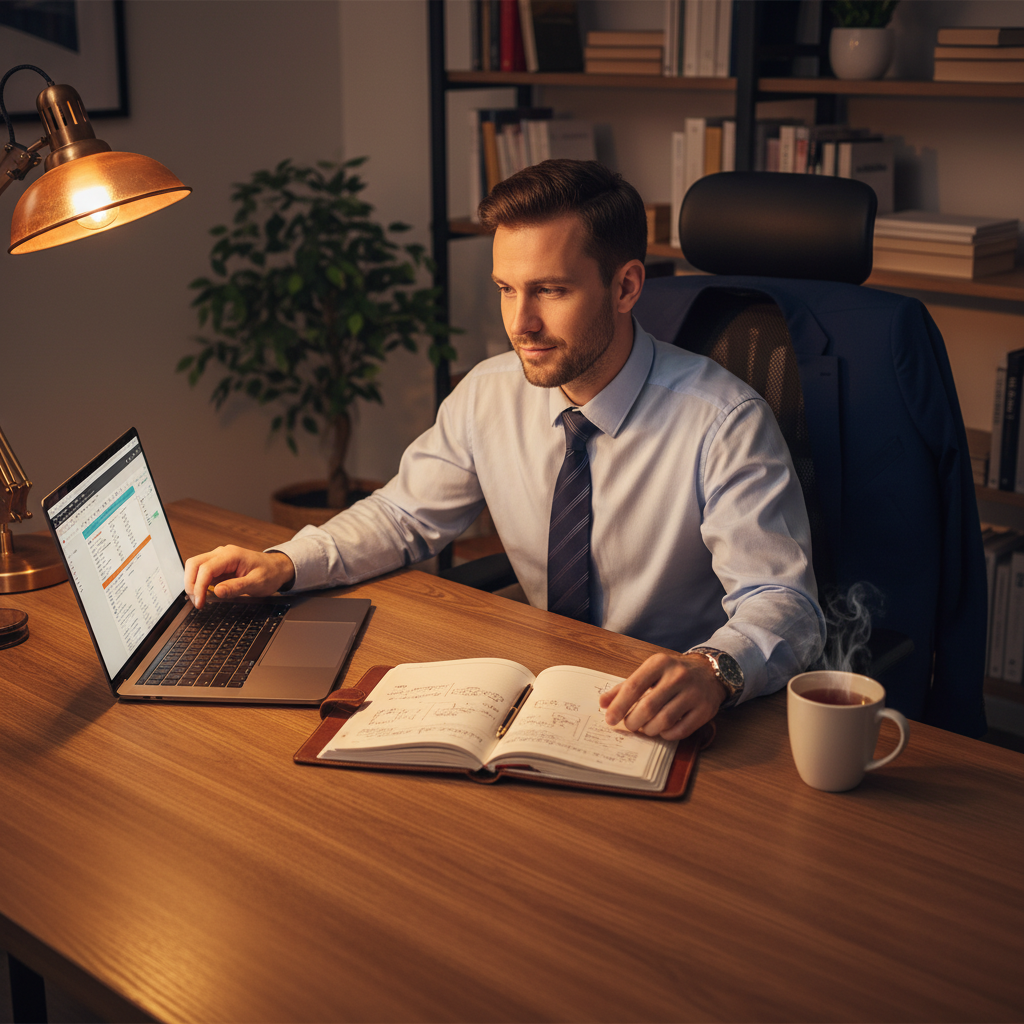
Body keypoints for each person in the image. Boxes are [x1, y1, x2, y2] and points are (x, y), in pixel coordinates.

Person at [185, 159, 824, 740]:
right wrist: (285, 561)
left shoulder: (725, 422)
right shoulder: (490, 392)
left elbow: (783, 603)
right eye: (506, 289)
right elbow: (403, 516)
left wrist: (714, 671)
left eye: (550, 290)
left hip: (664, 712)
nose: (520, 324)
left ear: (626, 287)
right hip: (540, 694)